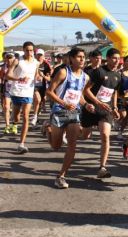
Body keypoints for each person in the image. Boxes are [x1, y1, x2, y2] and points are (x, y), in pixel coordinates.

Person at [45, 47, 93, 189]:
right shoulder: (63, 72)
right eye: (79, 57)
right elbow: (49, 92)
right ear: (71, 58)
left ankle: (61, 176)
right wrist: (64, 103)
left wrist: (86, 105)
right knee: (56, 146)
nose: (82, 59)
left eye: (84, 57)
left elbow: (80, 97)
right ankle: (48, 129)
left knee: (72, 146)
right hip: (59, 112)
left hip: (74, 114)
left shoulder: (86, 77)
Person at [81, 48, 121, 178]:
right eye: (114, 58)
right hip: (91, 108)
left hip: (106, 109)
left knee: (105, 135)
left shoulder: (118, 75)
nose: (116, 61)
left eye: (118, 58)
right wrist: (96, 103)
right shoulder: (99, 72)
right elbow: (86, 91)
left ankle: (102, 167)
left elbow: (114, 92)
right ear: (108, 58)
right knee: (85, 136)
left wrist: (114, 107)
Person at [6, 41, 39, 153]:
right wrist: (18, 79)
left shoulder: (36, 62)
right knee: (16, 117)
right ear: (23, 50)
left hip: (28, 93)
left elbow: (35, 75)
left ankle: (21, 144)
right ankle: (14, 122)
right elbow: (8, 75)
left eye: (31, 50)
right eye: (27, 50)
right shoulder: (17, 61)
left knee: (25, 117)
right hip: (16, 92)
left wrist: (37, 79)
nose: (29, 52)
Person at [31, 48, 52, 126]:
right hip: (33, 85)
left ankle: (36, 116)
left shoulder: (46, 65)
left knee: (40, 102)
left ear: (43, 56)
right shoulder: (32, 63)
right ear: (35, 55)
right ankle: (34, 116)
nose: (39, 57)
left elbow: (49, 78)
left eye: (41, 55)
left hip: (42, 86)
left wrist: (43, 76)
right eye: (38, 55)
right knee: (37, 99)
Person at [0, 52, 15, 134]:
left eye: (10, 58)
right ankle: (7, 126)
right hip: (7, 89)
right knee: (6, 107)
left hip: (16, 90)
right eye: (7, 58)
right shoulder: (3, 67)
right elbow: (2, 78)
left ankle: (14, 124)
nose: (9, 60)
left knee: (16, 110)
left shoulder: (17, 67)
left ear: (13, 58)